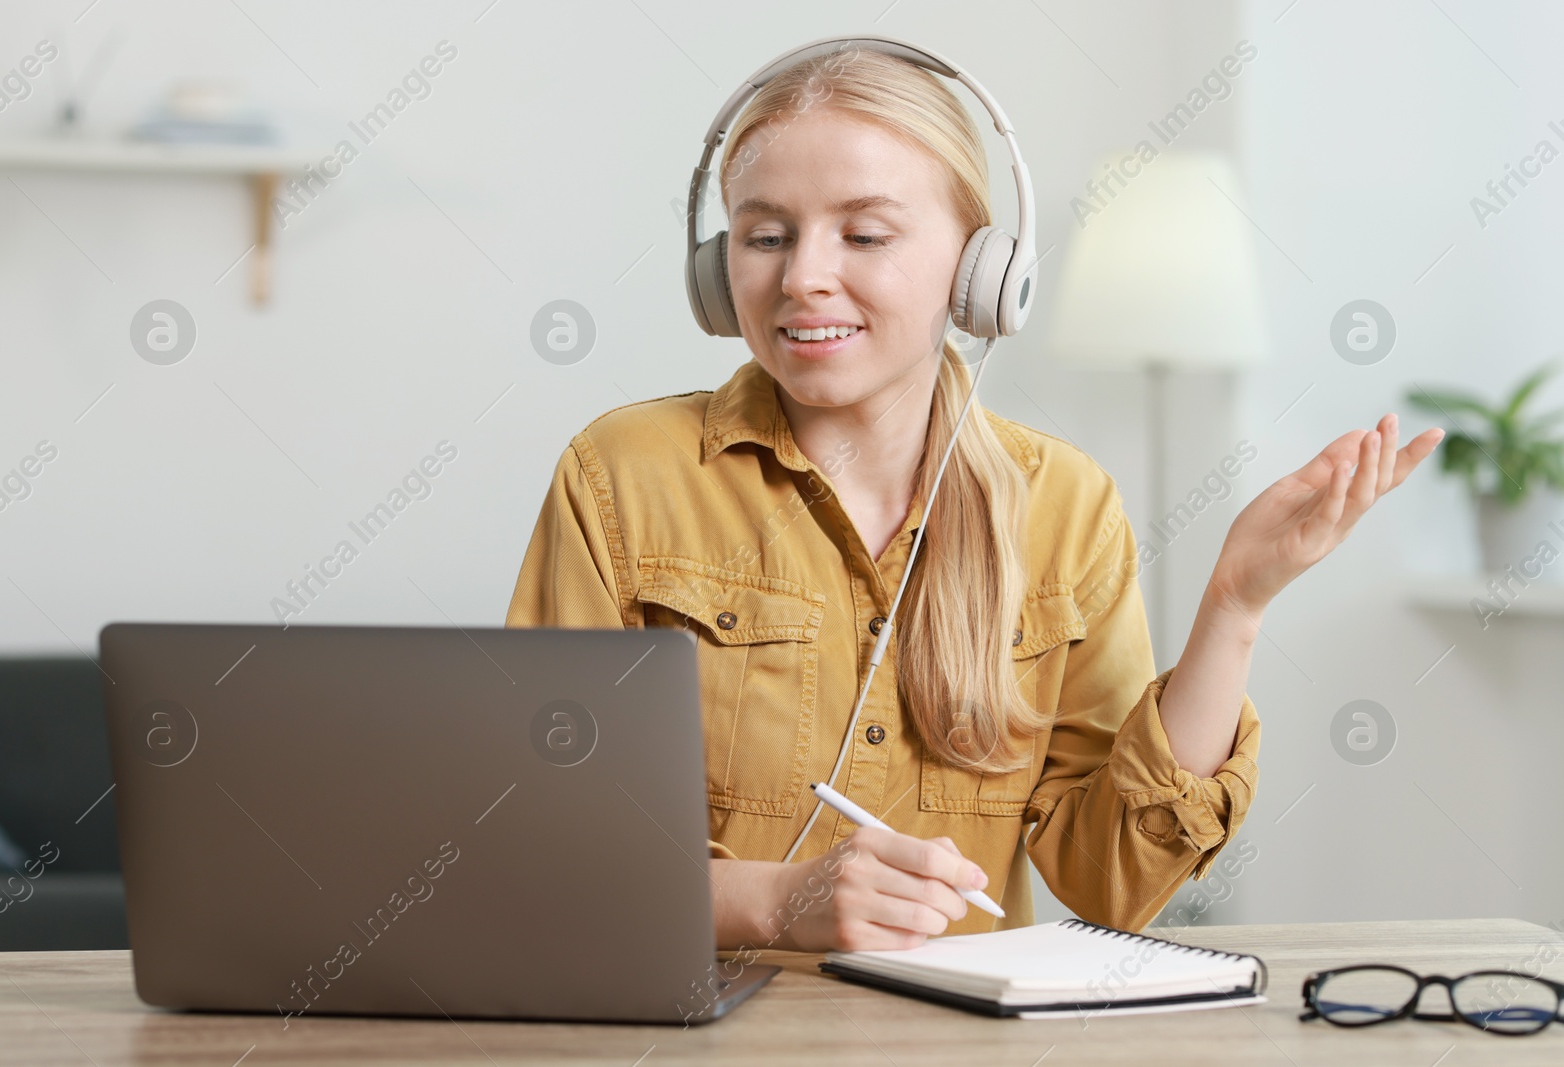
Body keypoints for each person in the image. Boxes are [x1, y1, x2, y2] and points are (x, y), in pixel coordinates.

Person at [505, 48, 1443, 953]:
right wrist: (781, 901)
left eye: (865, 235)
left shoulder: (1065, 505)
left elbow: (1112, 880)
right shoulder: (621, 475)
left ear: (980, 269)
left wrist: (1236, 606)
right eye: (764, 235)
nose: (802, 277)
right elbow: (551, 844)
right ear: (717, 271)